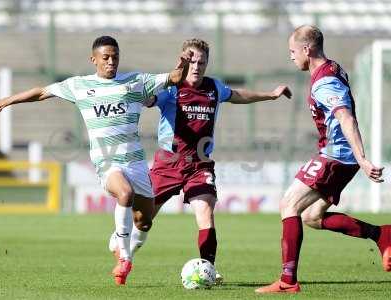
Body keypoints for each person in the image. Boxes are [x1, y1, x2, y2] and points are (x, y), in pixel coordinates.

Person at [0, 35, 192, 286]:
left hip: (136, 162)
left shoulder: (136, 81)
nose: (111, 62)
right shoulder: (79, 85)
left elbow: (174, 78)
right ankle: (125, 258)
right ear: (93, 59)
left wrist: (183, 64)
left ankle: (120, 238)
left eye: (115, 57)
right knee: (125, 194)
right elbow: (41, 92)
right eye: (105, 57)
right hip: (107, 162)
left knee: (145, 220)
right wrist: (3, 102)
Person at [255, 25, 391, 294]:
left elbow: (346, 117)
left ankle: (287, 281)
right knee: (312, 216)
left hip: (335, 156)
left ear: (307, 49)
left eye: (292, 51)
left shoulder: (325, 82)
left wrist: (362, 159)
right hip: (339, 156)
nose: (291, 57)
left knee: (288, 204)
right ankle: (382, 234)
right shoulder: (332, 68)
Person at [148, 38, 291, 282]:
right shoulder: (170, 89)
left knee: (206, 213)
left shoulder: (213, 88)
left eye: (201, 62)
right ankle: (124, 245)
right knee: (143, 219)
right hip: (168, 162)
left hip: (200, 163)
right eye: (191, 61)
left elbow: (238, 95)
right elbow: (147, 99)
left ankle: (208, 270)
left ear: (207, 64)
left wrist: (270, 95)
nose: (196, 67)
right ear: (182, 61)